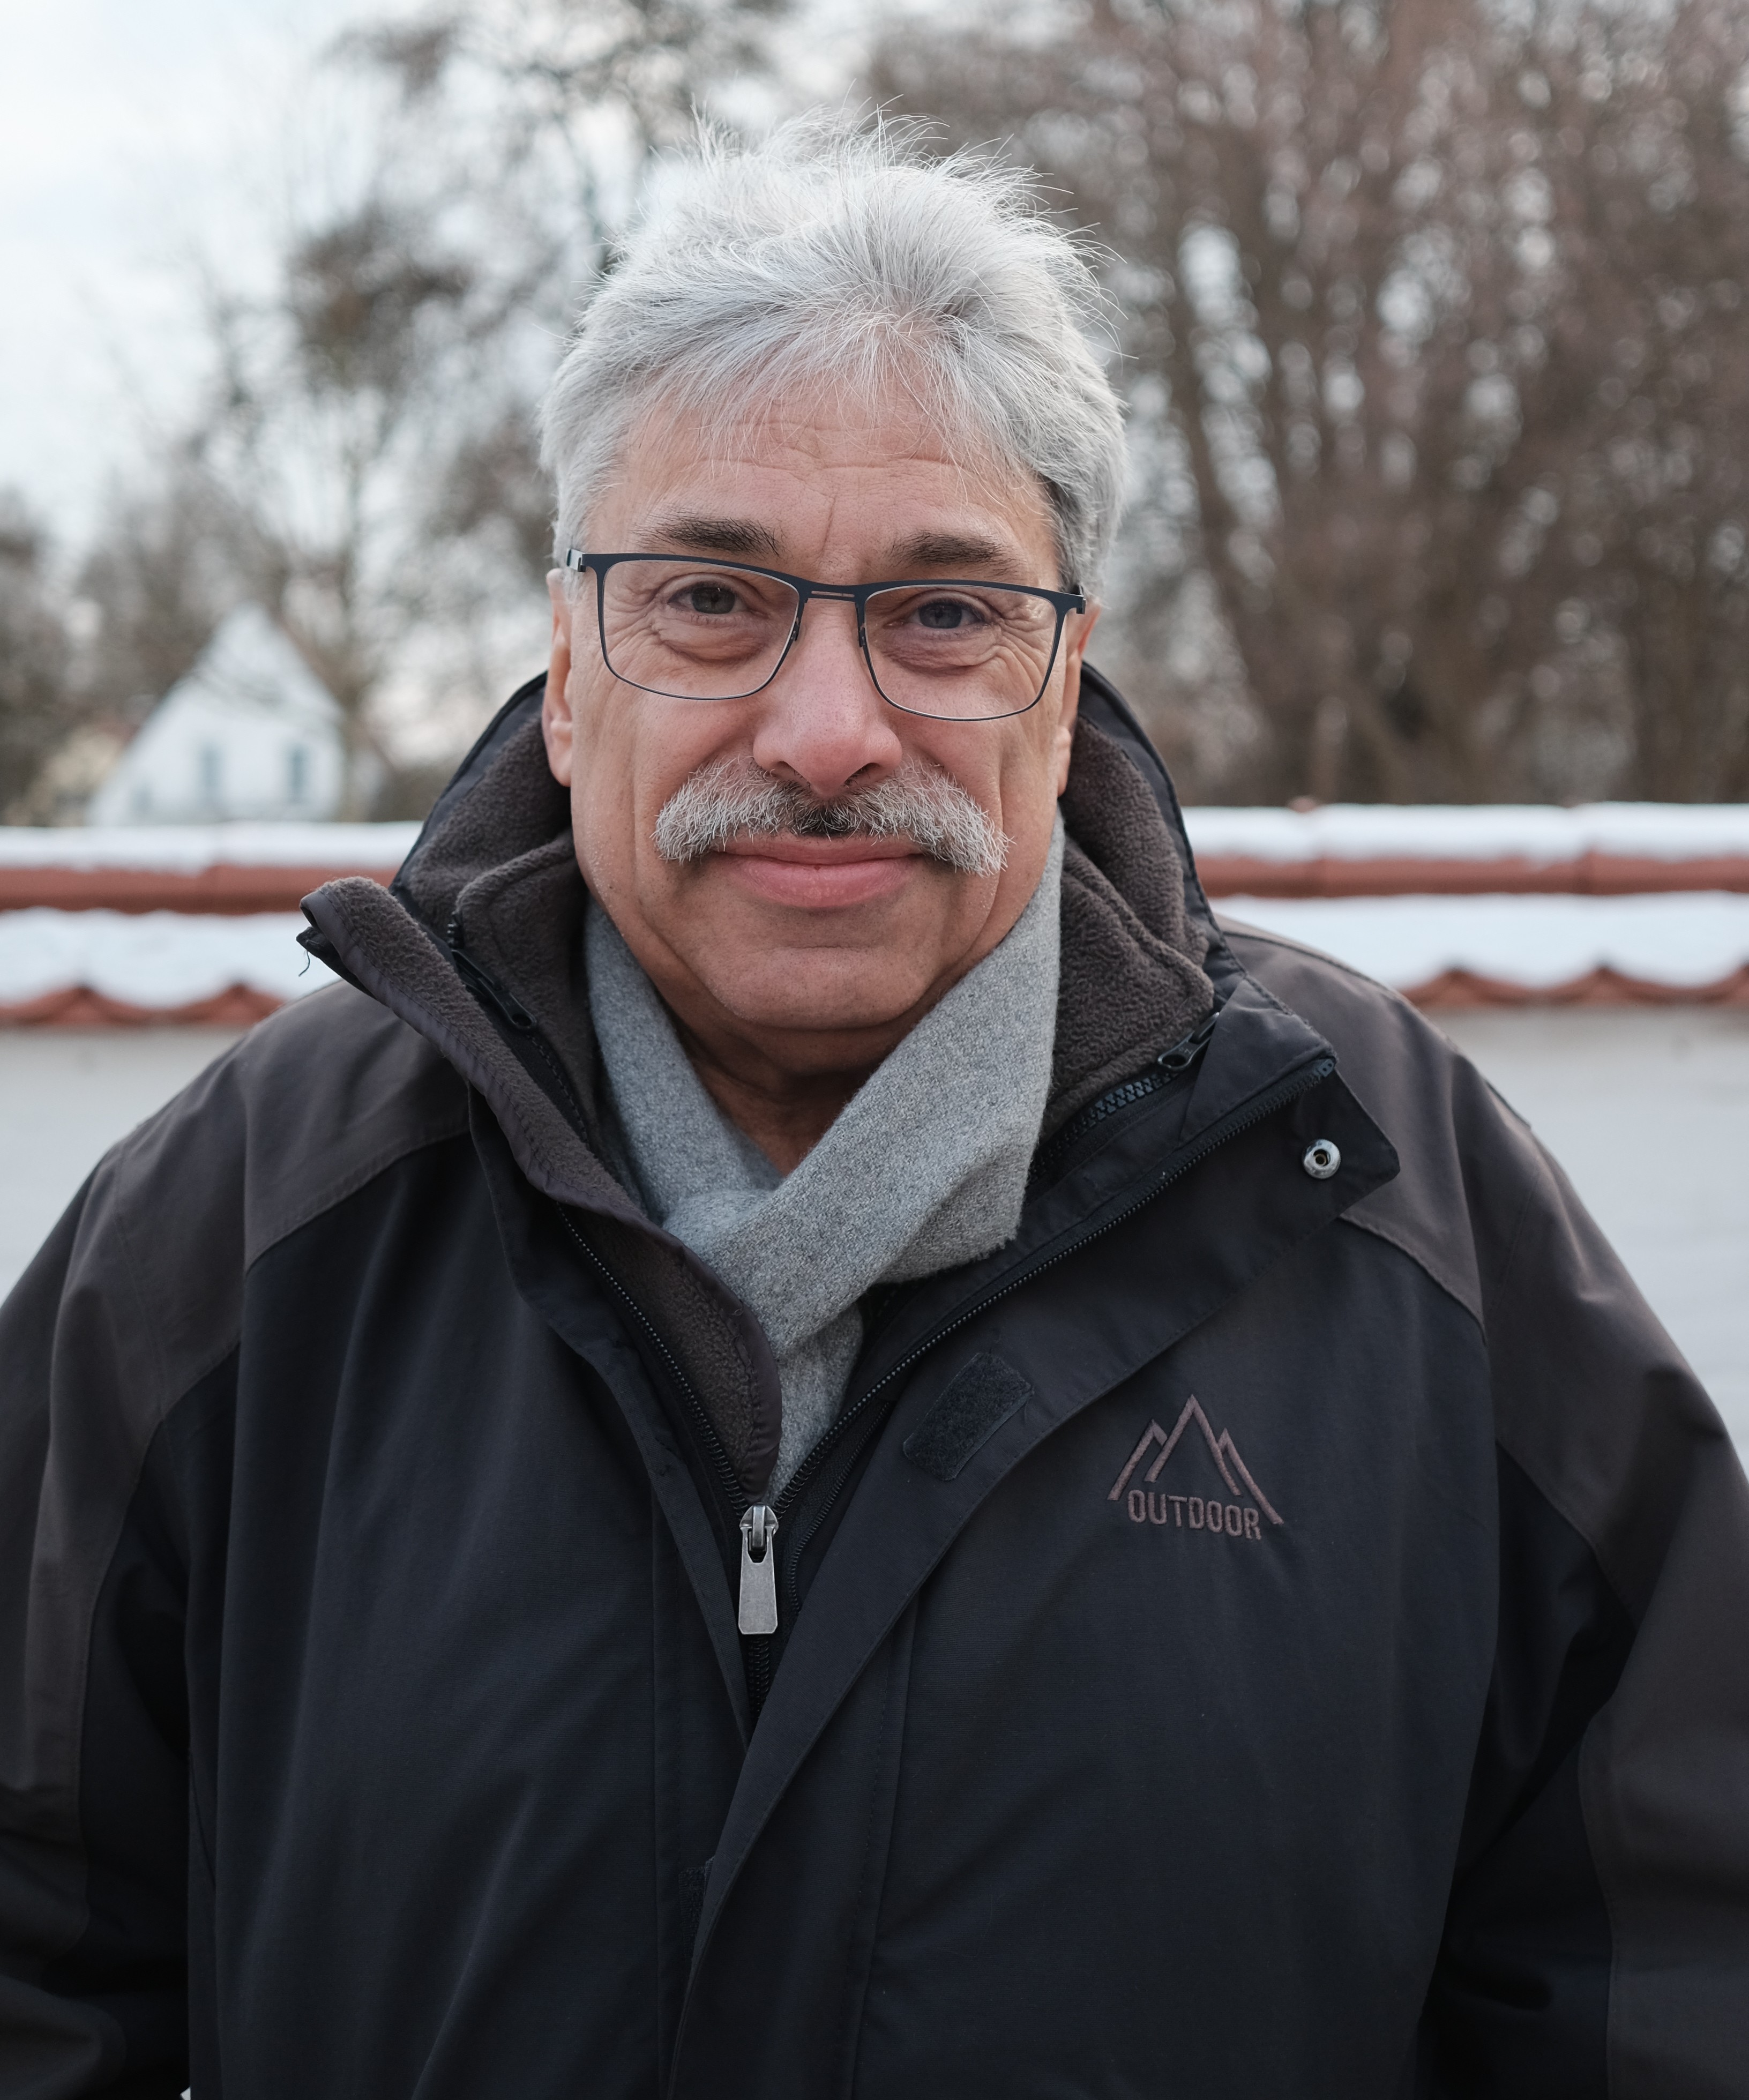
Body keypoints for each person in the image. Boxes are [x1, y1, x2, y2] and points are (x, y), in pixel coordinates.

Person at [1, 125, 1745, 2099]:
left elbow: (1667, 1967)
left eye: (943, 617)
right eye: (714, 601)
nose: (829, 731)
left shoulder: (1394, 1203)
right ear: (569, 672)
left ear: (1066, 681)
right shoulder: (245, 1227)